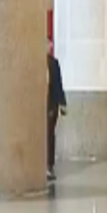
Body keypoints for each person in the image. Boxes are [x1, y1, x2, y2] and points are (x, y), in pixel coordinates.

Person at [47, 42, 67, 180]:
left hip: (51, 105)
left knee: (49, 134)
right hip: (39, 105)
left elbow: (58, 84)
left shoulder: (53, 63)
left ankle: (49, 164)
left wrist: (62, 103)